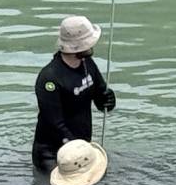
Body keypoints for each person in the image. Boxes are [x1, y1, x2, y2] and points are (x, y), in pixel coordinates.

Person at [31, 16, 116, 173]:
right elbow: (54, 123)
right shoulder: (50, 78)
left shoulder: (88, 64)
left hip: (81, 148)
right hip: (52, 153)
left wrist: (108, 99)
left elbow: (100, 99)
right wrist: (77, 149)